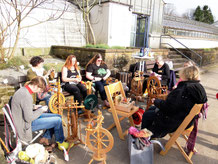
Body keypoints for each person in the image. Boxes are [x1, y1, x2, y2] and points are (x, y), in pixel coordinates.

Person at [141, 66, 207, 138]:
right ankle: (147, 134)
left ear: (185, 74)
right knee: (152, 109)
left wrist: (156, 101)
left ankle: (144, 137)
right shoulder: (198, 87)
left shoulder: (184, 89)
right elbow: (176, 104)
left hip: (174, 121)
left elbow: (169, 107)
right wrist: (158, 102)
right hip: (187, 120)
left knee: (147, 115)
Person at [11, 76, 69, 150]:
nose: (39, 92)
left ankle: (46, 137)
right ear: (35, 85)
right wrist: (41, 110)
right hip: (25, 125)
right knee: (58, 120)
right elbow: (29, 118)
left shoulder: (23, 90)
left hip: (23, 119)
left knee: (58, 116)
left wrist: (34, 107)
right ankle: (60, 143)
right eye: (40, 89)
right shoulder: (26, 96)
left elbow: (23, 106)